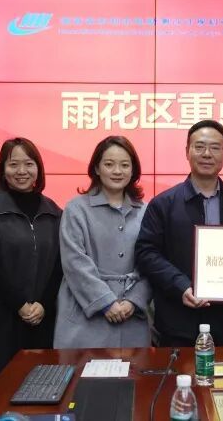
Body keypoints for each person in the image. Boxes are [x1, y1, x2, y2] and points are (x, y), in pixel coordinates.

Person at [0, 138, 62, 406]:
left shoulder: (54, 211)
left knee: (41, 387)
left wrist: (43, 304)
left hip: (41, 317)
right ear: (3, 170)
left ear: (38, 169)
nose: (21, 171)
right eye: (13, 164)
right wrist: (20, 304)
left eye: (28, 164)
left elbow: (59, 264)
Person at [136, 120, 223, 346]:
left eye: (215, 147)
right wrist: (181, 286)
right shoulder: (163, 203)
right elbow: (146, 252)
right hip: (178, 320)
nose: (207, 154)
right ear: (187, 151)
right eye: (199, 147)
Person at [54, 136, 151, 348]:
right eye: (109, 164)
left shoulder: (145, 211)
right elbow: (74, 262)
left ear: (133, 170)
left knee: (135, 369)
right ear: (96, 168)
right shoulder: (76, 209)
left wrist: (135, 300)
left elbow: (151, 262)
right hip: (85, 317)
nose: (117, 171)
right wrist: (106, 302)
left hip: (132, 317)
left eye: (125, 165)